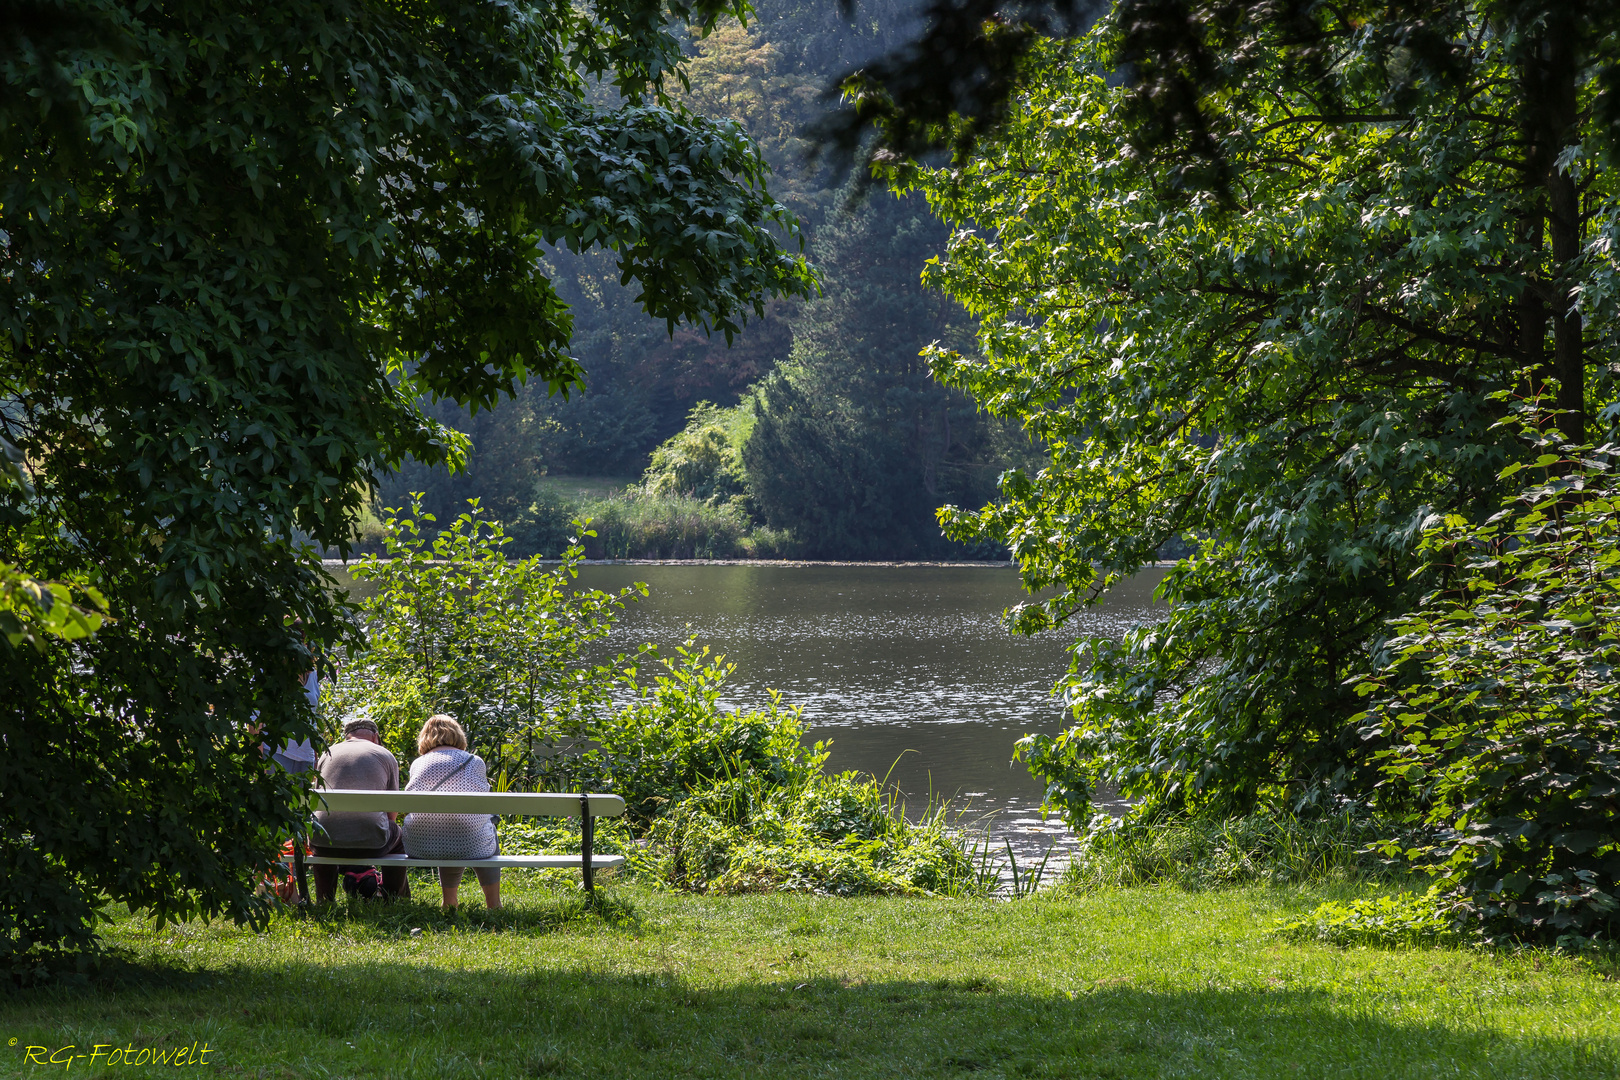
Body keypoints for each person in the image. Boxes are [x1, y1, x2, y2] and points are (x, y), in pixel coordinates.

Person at [402, 715, 501, 910]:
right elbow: (485, 801)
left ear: (425, 737)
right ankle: (493, 904)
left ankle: (449, 902)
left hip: (421, 845)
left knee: (446, 828)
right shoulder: (475, 762)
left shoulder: (418, 764)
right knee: (472, 828)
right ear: (457, 735)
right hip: (473, 845)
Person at [311, 717, 410, 902]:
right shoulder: (384, 754)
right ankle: (393, 898)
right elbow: (392, 813)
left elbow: (318, 802)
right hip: (373, 843)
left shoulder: (327, 753)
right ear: (375, 737)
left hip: (322, 842)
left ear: (347, 737)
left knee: (323, 828)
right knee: (399, 836)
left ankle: (324, 900)